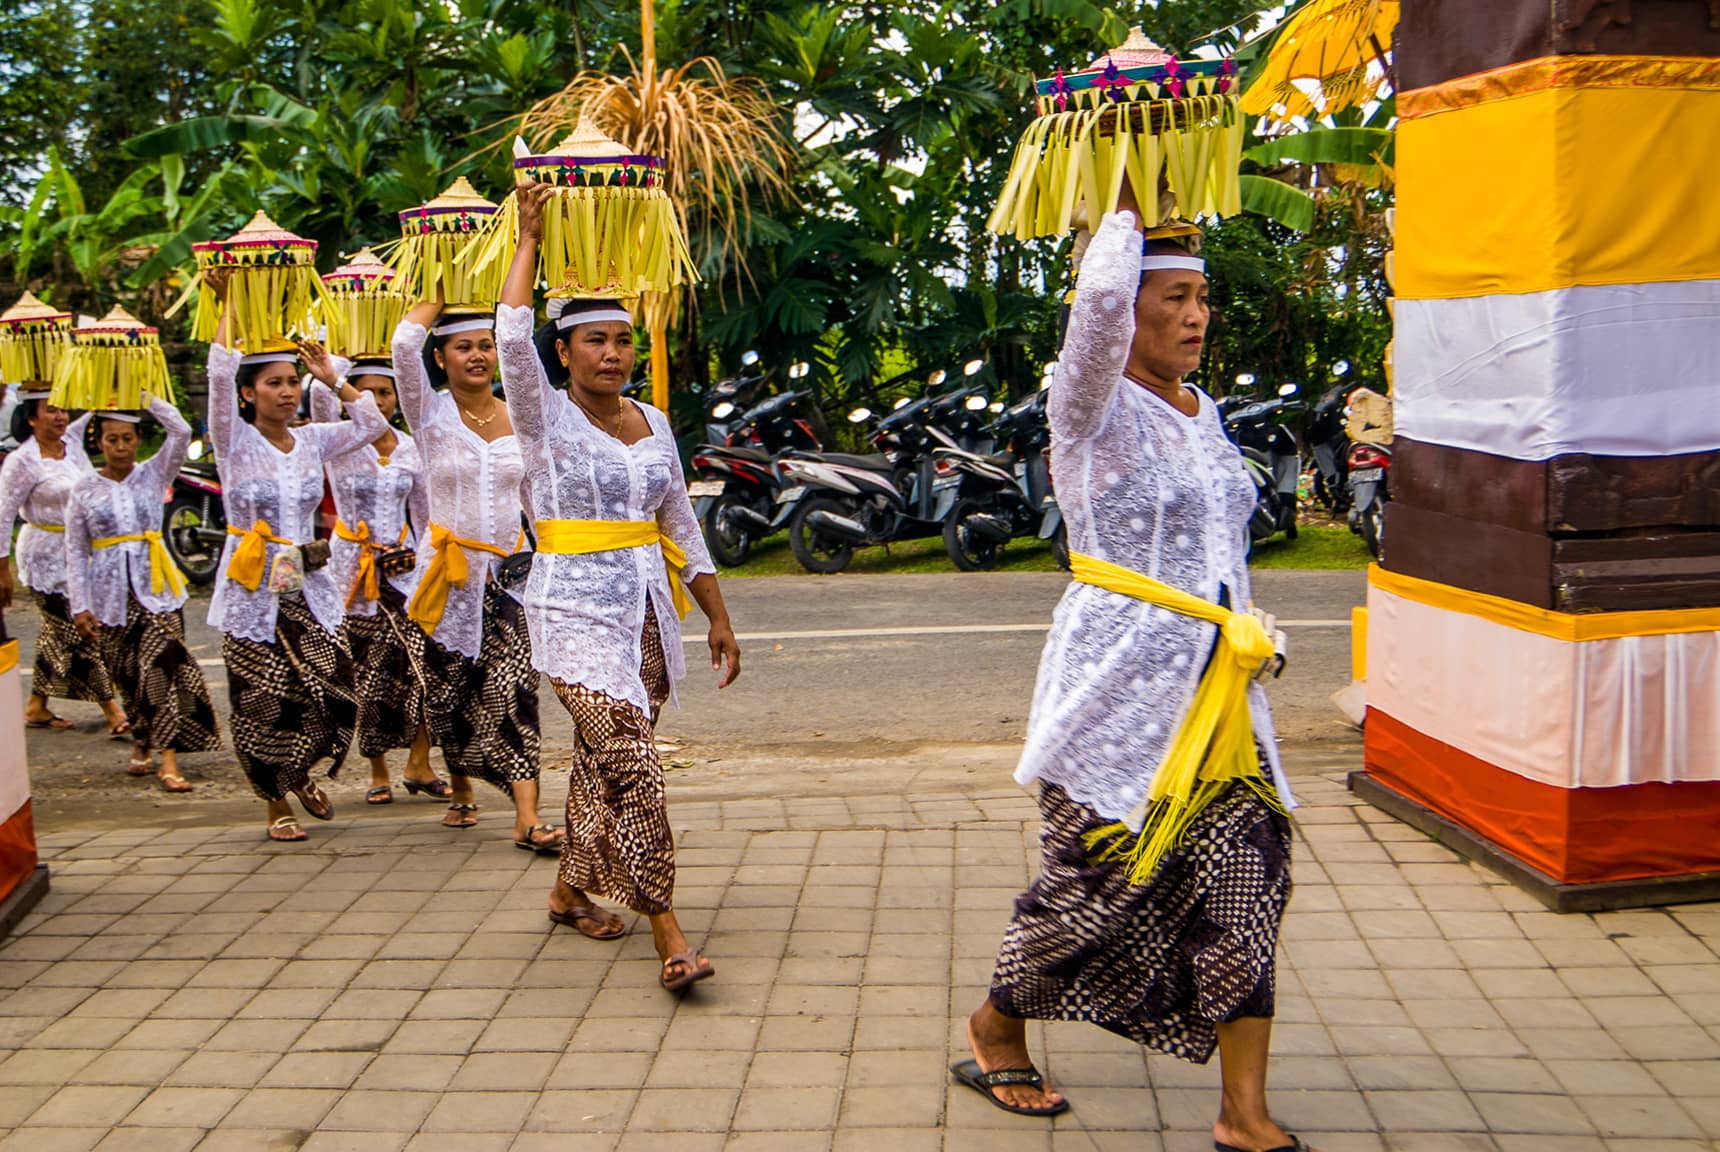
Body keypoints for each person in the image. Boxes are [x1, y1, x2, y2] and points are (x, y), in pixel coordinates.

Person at [956, 197, 1308, 1152]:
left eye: (1204, 298)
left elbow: (1220, 548)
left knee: (1252, 877)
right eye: (1175, 297)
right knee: (1093, 889)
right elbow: (1098, 312)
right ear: (1127, 306)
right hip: (1116, 692)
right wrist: (1118, 212)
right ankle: (996, 1024)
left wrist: (1250, 635)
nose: (1195, 317)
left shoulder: (1208, 411)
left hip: (1223, 702)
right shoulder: (1092, 404)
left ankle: (1243, 1112)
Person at [499, 183, 740, 991]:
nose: (611, 353)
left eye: (622, 341)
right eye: (594, 340)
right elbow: (508, 341)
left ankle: (569, 890)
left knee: (601, 766)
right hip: (569, 612)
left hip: (646, 615)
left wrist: (717, 615)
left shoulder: (653, 421)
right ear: (562, 352)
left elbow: (680, 524)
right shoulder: (543, 420)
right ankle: (667, 929)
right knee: (633, 761)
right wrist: (527, 243)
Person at [203, 270, 387, 842]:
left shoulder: (313, 439)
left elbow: (375, 423)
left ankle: (303, 769)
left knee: (334, 682)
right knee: (261, 695)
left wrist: (333, 378)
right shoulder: (232, 441)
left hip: (306, 576)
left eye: (291, 382)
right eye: (273, 383)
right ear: (248, 393)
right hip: (251, 582)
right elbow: (215, 375)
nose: (285, 391)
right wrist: (230, 304)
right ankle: (275, 801)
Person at [390, 297, 562, 851]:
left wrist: (554, 559)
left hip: (511, 577)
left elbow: (537, 498)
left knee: (516, 691)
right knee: (446, 697)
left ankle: (527, 816)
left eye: (485, 344)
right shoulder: (428, 415)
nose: (478, 355)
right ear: (440, 358)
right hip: (445, 579)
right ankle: (458, 780)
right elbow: (400, 345)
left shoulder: (522, 417)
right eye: (463, 346)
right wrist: (439, 287)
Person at [307, 362, 447, 806]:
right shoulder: (343, 444)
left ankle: (419, 762)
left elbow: (426, 518)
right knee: (367, 676)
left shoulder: (412, 448)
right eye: (367, 393)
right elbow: (319, 397)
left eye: (385, 393)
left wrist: (422, 561)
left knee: (423, 671)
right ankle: (377, 769)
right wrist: (335, 370)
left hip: (403, 574)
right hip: (352, 573)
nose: (377, 401)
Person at [65, 401, 221, 792]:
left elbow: (181, 431)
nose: (121, 447)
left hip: (157, 591)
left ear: (138, 440)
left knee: (160, 669)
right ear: (99, 443)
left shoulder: (153, 473)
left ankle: (168, 758)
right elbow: (74, 550)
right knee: (129, 675)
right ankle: (141, 736)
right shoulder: (84, 489)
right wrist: (79, 605)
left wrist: (142, 393)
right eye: (112, 439)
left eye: (128, 438)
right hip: (109, 594)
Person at [0, 391, 130, 736]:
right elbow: (2, 514)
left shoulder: (71, 442)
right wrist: (2, 569)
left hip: (81, 554)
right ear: (31, 418)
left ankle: (36, 706)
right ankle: (113, 709)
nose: (60, 417)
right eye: (50, 411)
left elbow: (99, 404)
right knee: (81, 632)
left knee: (55, 634)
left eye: (62, 409)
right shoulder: (22, 461)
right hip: (44, 556)